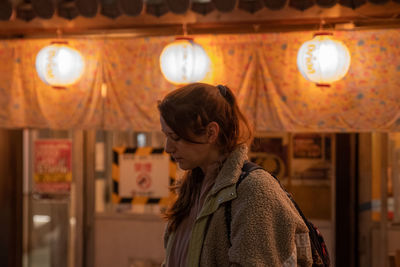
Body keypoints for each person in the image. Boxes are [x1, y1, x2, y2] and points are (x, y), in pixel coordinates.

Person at [158, 82, 312, 267]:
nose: (168, 147)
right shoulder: (192, 189)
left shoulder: (254, 190)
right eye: (166, 136)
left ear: (210, 133)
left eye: (175, 137)